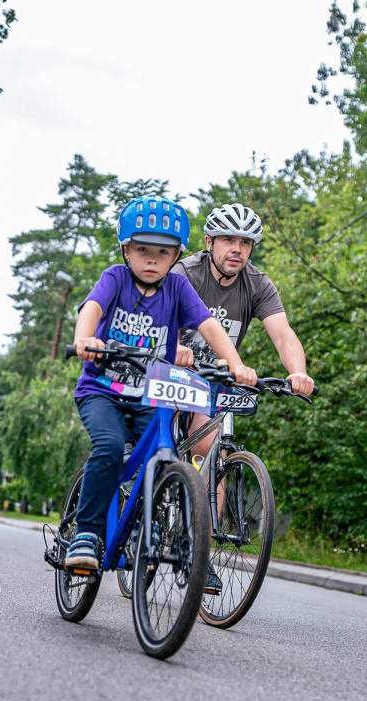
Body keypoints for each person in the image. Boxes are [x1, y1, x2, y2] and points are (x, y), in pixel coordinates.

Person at [66, 195, 257, 572]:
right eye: (142, 250)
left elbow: (208, 326)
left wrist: (236, 364)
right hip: (103, 390)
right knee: (109, 446)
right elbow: (93, 308)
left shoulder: (177, 289)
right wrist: (85, 339)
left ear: (176, 256)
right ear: (126, 250)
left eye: (163, 252)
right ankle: (86, 533)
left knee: (162, 452)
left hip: (149, 394)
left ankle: (148, 529)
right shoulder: (115, 279)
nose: (151, 259)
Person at [172, 202, 315, 450]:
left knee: (214, 453)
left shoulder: (258, 284)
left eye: (245, 242)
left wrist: (298, 372)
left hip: (216, 377)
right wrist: (174, 348)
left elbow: (283, 335)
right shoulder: (186, 273)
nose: (237, 249)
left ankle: (206, 488)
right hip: (169, 371)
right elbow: (164, 317)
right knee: (159, 436)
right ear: (209, 241)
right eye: (228, 240)